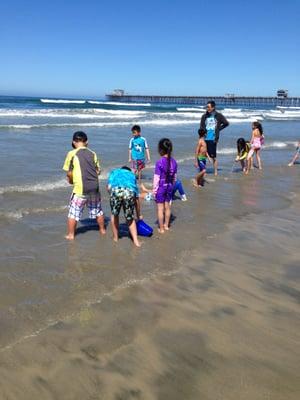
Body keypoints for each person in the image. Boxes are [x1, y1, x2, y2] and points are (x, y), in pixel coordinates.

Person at [63, 131, 106, 240]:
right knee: (98, 210)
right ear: (87, 142)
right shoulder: (93, 153)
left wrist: (70, 180)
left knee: (73, 213)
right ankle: (102, 230)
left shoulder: (71, 153)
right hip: (94, 188)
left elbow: (69, 172)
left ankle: (71, 235)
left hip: (80, 189)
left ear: (73, 142)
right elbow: (98, 171)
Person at [107, 166, 141, 247]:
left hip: (116, 191)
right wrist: (138, 214)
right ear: (128, 171)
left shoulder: (114, 172)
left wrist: (112, 196)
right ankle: (136, 242)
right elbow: (136, 198)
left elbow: (108, 188)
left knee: (114, 215)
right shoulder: (132, 175)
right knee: (130, 218)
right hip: (129, 192)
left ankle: (115, 238)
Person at [153, 138, 177, 233]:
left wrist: (155, 190)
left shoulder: (159, 162)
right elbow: (175, 177)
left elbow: (156, 178)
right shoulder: (174, 162)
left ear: (161, 150)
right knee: (167, 207)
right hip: (170, 186)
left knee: (160, 208)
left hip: (161, 187)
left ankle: (161, 228)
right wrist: (172, 185)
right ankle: (166, 225)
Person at [200, 100, 229, 176]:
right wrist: (201, 138)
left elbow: (226, 123)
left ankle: (215, 171)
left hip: (213, 139)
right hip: (205, 139)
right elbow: (201, 127)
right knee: (203, 155)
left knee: (213, 156)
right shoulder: (204, 116)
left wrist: (219, 129)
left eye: (209, 107)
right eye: (207, 107)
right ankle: (204, 171)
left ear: (213, 107)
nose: (207, 108)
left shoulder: (218, 116)